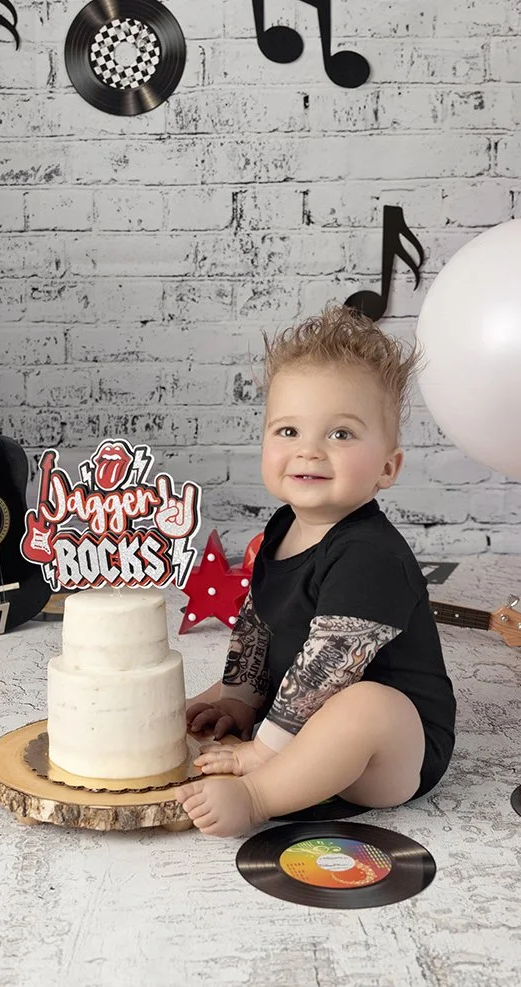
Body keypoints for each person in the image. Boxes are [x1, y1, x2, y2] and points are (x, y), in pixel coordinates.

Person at [174, 305, 456, 837]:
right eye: (287, 430)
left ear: (387, 468)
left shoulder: (371, 554)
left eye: (341, 435)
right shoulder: (282, 527)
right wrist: (238, 696)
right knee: (202, 701)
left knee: (367, 706)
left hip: (390, 752)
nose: (309, 450)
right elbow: (258, 624)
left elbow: (330, 664)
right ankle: (268, 735)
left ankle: (259, 795)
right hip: (297, 717)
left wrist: (263, 753)